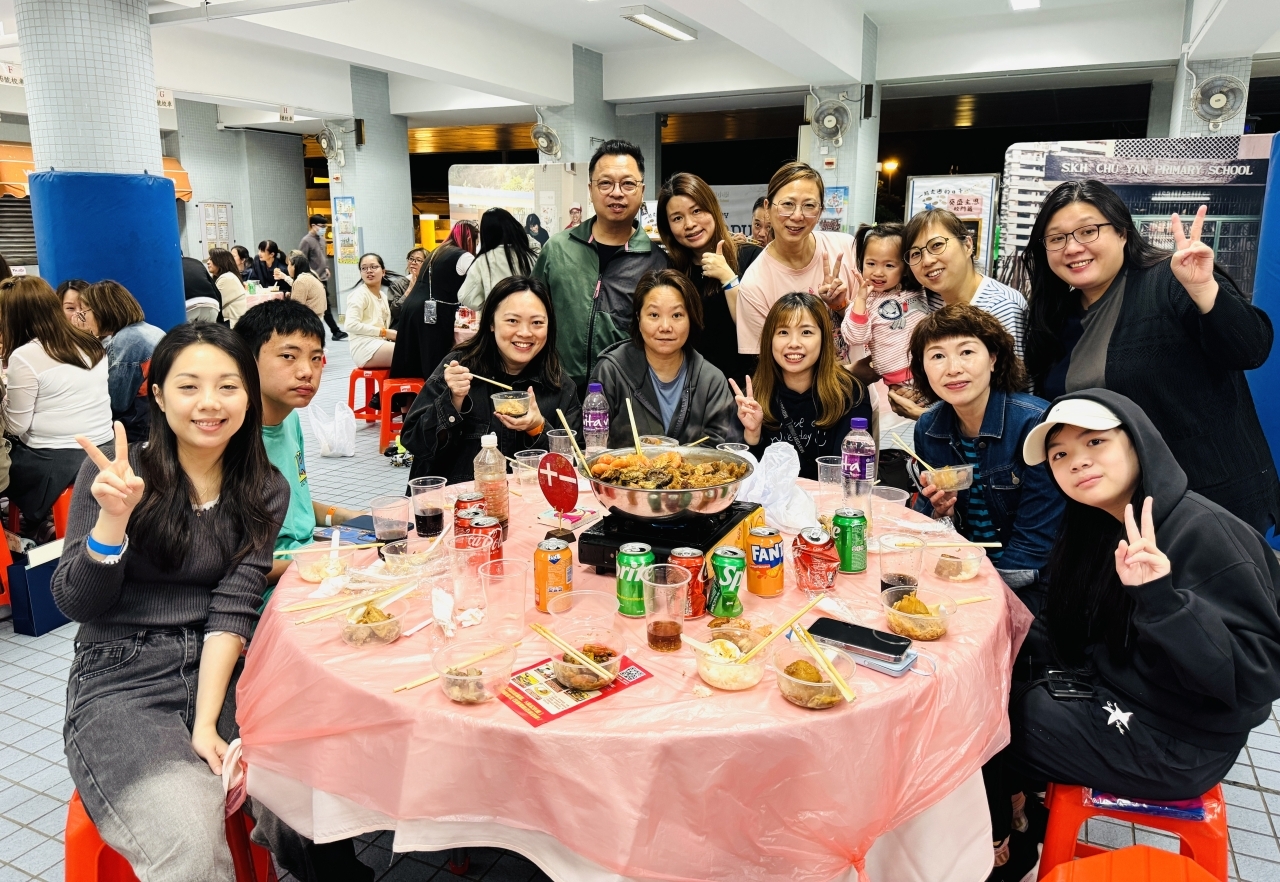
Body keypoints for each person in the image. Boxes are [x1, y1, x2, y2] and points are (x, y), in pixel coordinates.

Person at [980, 389, 1280, 880]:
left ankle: (1001, 847)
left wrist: (1163, 600)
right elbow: (1069, 629)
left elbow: (1257, 677)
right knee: (990, 687)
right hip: (1121, 692)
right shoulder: (1093, 522)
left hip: (1181, 739)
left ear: (1138, 442)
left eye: (1095, 441)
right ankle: (1019, 812)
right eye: (1060, 455)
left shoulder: (1202, 531)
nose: (1078, 462)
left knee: (984, 726)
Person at [49, 323, 300, 882]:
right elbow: (77, 603)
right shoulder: (116, 473)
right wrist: (113, 522)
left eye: (228, 386)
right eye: (189, 387)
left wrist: (206, 723)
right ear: (159, 397)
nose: (209, 403)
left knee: (304, 795)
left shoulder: (265, 488)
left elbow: (233, 607)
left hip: (224, 669)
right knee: (188, 839)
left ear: (248, 396)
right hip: (120, 675)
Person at [1023, 180, 1279, 536]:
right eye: (1057, 238)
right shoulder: (1053, 318)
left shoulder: (1171, 280)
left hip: (1208, 504)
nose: (1073, 247)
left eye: (1088, 231)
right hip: (1113, 510)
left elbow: (1250, 349)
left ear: (1122, 233)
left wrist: (1204, 289)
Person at [908, 304, 1064, 597]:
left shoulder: (1035, 423)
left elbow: (1036, 541)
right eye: (938, 356)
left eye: (966, 352)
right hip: (960, 568)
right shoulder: (928, 428)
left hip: (1029, 580)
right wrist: (943, 513)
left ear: (993, 358)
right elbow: (933, 525)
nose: (953, 368)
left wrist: (990, 593)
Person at [401, 276, 580, 484]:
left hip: (529, 501)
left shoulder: (559, 386)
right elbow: (415, 442)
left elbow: (576, 466)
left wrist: (537, 427)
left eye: (537, 323)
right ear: (491, 323)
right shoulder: (459, 368)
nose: (525, 333)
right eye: (512, 321)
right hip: (457, 500)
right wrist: (453, 401)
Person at [234, 300, 360, 585]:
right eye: (289, 356)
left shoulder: (289, 418)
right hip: (267, 589)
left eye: (316, 358)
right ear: (246, 360)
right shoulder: (230, 439)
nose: (307, 372)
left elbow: (292, 505)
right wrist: (316, 560)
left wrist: (344, 517)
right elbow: (232, 566)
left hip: (307, 561)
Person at [532, 139, 669, 392]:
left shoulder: (657, 263)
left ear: (641, 190)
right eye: (605, 183)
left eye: (628, 184)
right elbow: (531, 314)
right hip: (557, 391)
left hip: (625, 395)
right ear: (590, 189)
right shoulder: (557, 249)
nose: (616, 192)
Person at [1, 277, 113, 534]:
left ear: (14, 318)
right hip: (105, 447)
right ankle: (47, 521)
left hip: (56, 461)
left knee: (6, 461)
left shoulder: (25, 356)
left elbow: (16, 426)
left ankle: (33, 524)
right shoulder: (91, 342)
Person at [731, 292, 872, 480]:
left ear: (824, 338)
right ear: (769, 339)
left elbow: (852, 475)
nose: (794, 344)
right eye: (783, 332)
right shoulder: (753, 398)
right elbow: (745, 480)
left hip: (829, 497)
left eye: (806, 332)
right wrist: (752, 434)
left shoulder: (850, 393)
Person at [591, 270, 739, 448]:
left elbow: (721, 450)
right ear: (638, 318)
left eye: (677, 315)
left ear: (691, 319)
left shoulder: (711, 381)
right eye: (654, 315)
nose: (665, 327)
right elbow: (593, 445)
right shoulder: (610, 372)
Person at [736, 162, 857, 365]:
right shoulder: (754, 284)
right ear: (767, 208)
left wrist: (841, 306)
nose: (797, 216)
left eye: (809, 206)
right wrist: (850, 374)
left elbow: (875, 323)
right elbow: (768, 365)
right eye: (787, 204)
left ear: (820, 212)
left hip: (864, 384)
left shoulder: (845, 249)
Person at [657, 172, 761, 383]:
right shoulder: (672, 270)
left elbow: (756, 330)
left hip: (745, 388)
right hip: (691, 388)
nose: (689, 224)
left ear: (712, 208)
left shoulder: (751, 257)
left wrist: (729, 279)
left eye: (696, 211)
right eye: (677, 218)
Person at [840, 222, 930, 405]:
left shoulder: (918, 289)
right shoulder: (865, 302)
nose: (878, 272)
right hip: (901, 380)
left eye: (889, 265)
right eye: (871, 263)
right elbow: (855, 337)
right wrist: (860, 301)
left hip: (932, 369)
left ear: (905, 267)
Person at [78, 281, 166, 443]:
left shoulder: (126, 341)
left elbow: (117, 402)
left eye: (85, 311)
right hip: (157, 421)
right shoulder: (149, 330)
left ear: (101, 310)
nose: (84, 318)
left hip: (139, 431)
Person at [389, 223, 477, 384]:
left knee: (411, 359)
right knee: (434, 359)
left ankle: (406, 398)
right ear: (470, 238)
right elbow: (477, 284)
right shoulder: (464, 256)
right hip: (434, 311)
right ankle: (435, 396)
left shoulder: (436, 252)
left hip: (412, 307)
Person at [459, 208, 540, 310]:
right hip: (528, 313)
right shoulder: (530, 256)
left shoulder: (483, 260)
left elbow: (466, 296)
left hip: (499, 316)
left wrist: (489, 305)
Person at [299, 214, 347, 341]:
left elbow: (321, 257)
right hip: (314, 279)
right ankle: (334, 331)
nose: (324, 228)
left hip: (323, 278)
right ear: (313, 225)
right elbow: (302, 260)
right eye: (321, 226)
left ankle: (333, 331)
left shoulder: (322, 239)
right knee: (324, 306)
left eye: (325, 226)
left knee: (324, 306)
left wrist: (326, 267)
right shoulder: (306, 241)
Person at [345, 253, 395, 369]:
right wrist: (384, 332)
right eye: (364, 268)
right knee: (410, 352)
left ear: (383, 272)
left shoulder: (382, 295)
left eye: (373, 267)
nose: (369, 271)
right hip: (364, 347)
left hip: (381, 343)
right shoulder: (359, 295)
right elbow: (350, 325)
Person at [207, 248, 247, 328]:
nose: (208, 262)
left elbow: (213, 304)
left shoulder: (227, 278)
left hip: (231, 325)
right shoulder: (223, 276)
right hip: (228, 323)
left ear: (221, 261)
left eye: (211, 259)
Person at [386, 247, 427, 324]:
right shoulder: (398, 284)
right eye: (411, 259)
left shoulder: (431, 284)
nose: (413, 262)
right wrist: (409, 289)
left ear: (427, 264)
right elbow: (395, 313)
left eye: (418, 260)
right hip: (405, 326)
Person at [286, 254, 327, 319]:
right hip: (317, 315)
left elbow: (296, 307)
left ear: (294, 266)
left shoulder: (300, 281)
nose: (287, 267)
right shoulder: (310, 275)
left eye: (288, 265)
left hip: (309, 318)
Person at [182, 256, 222, 324]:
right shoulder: (196, 262)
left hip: (189, 305)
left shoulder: (171, 265)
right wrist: (220, 319)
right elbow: (215, 288)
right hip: (211, 303)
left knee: (185, 330)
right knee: (210, 330)